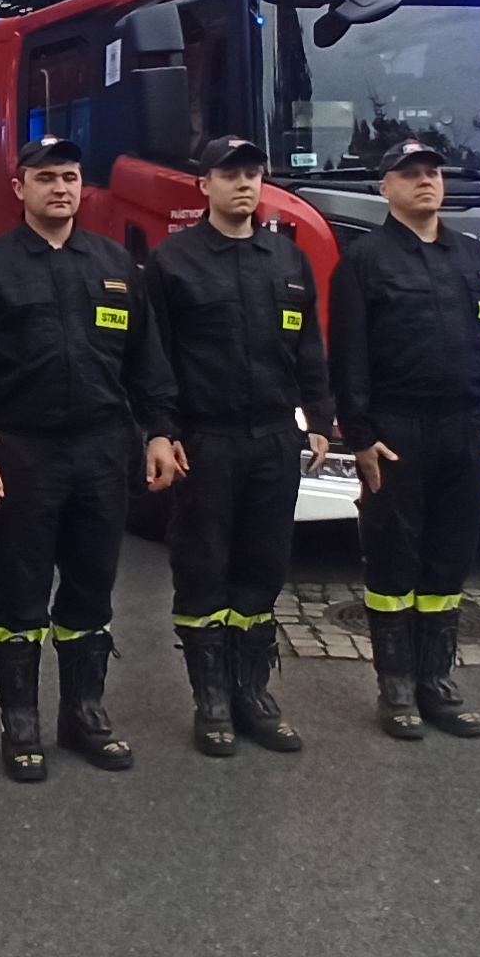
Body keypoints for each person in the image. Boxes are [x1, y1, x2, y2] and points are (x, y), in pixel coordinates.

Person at [0, 135, 182, 780]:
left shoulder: (113, 264)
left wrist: (159, 432)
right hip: (26, 451)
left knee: (91, 584)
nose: (60, 188)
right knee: (20, 589)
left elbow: (147, 360)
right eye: (46, 177)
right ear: (19, 187)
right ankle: (20, 722)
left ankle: (83, 714)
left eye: (70, 177)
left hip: (103, 449)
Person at [142, 136, 331, 757]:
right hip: (206, 440)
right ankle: (212, 701)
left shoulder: (287, 259)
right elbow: (155, 356)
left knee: (263, 568)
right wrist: (162, 430)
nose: (244, 183)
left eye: (253, 173)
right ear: (204, 186)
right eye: (230, 174)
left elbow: (307, 346)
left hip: (274, 437)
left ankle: (253, 696)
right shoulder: (173, 261)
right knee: (203, 569)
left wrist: (320, 417)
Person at [327, 137, 480, 740]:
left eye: (432, 171)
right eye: (409, 173)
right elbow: (349, 356)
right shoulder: (364, 261)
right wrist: (359, 435)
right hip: (396, 433)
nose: (425, 181)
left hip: (465, 431)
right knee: (393, 558)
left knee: (449, 559)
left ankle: (437, 684)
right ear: (385, 187)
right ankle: (397, 689)